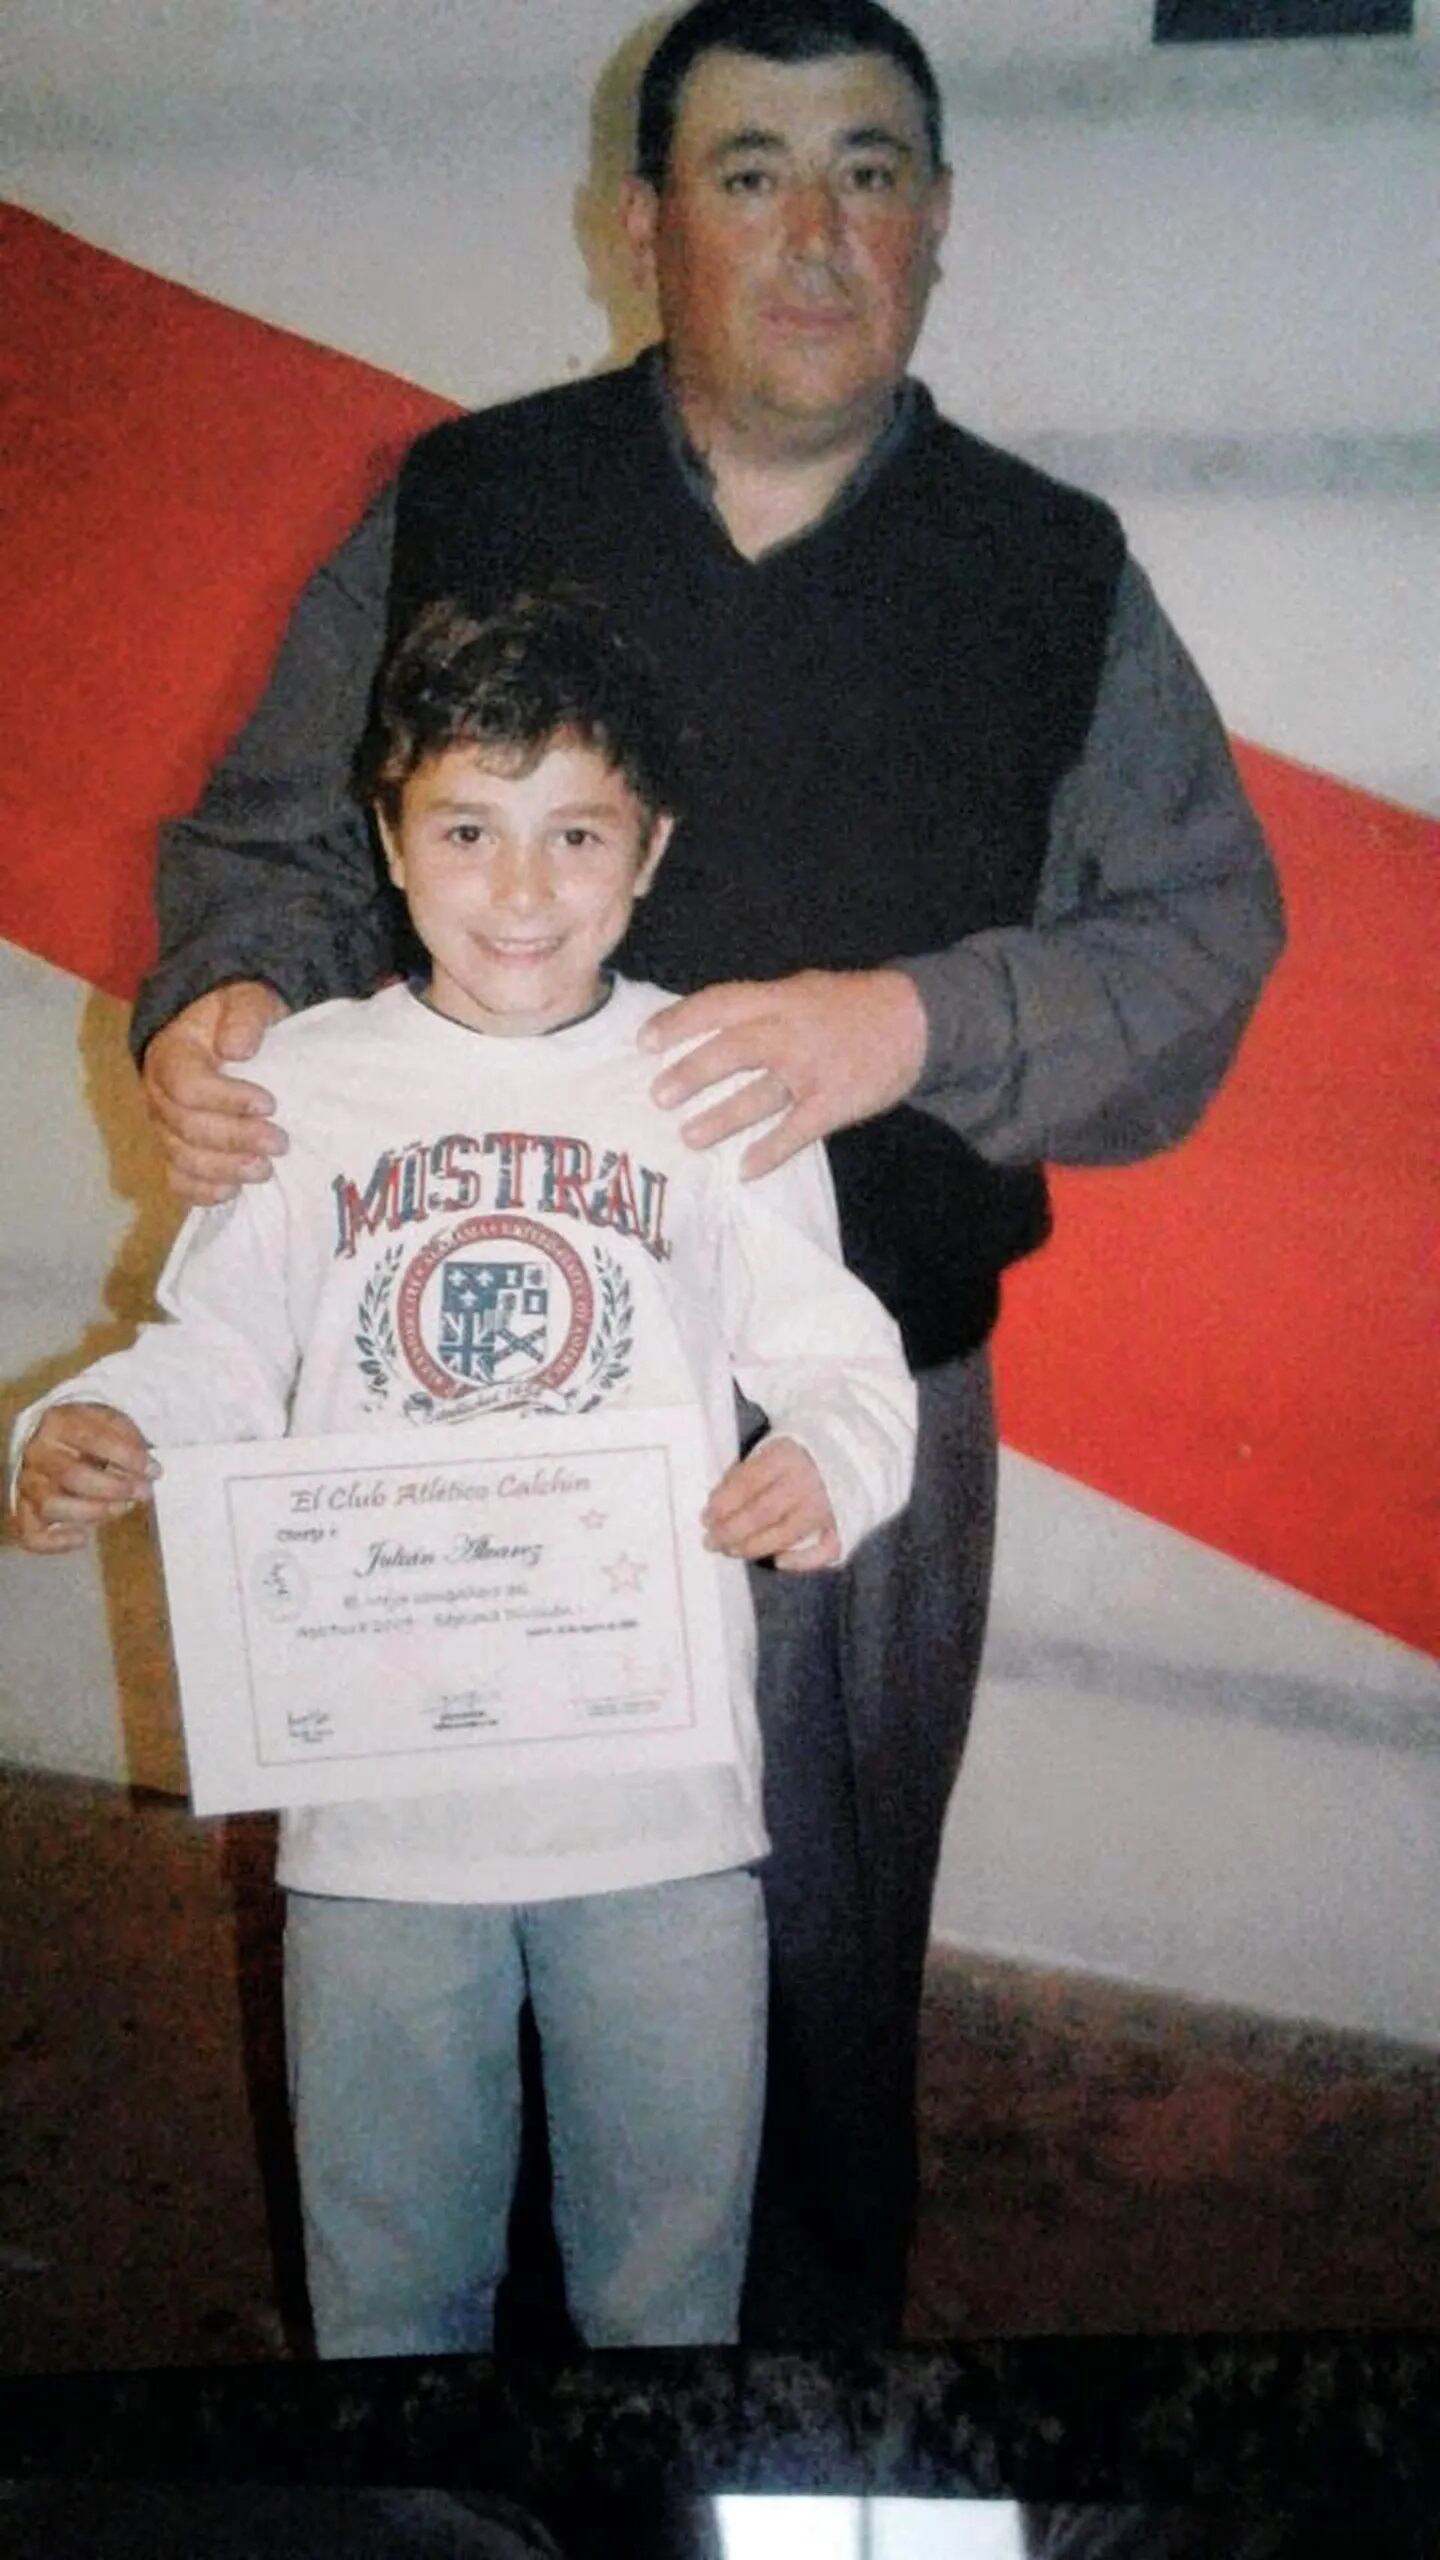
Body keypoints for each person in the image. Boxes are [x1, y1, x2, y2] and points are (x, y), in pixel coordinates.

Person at [126, 0, 1285, 2338]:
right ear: (642, 220)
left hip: (849, 1418)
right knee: (445, 1991)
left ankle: (789, 2416)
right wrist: (229, 997)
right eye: (748, 170)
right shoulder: (465, 498)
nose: (816, 230)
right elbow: (273, 842)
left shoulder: (1051, 567)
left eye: (872, 169)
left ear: (940, 224)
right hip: (460, 1419)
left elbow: (1200, 945)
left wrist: (917, 1023)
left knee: (809, 1993)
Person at [10, 591, 917, 2355]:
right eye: (468, 831)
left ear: (648, 851)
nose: (522, 891)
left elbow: (844, 1360)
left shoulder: (707, 1083)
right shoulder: (307, 1085)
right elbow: (218, 1349)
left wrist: (823, 1460)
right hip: (375, 1813)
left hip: (657, 1803)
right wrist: (100, 1423)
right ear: (389, 840)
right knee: (391, 2292)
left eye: (575, 834)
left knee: (667, 2288)